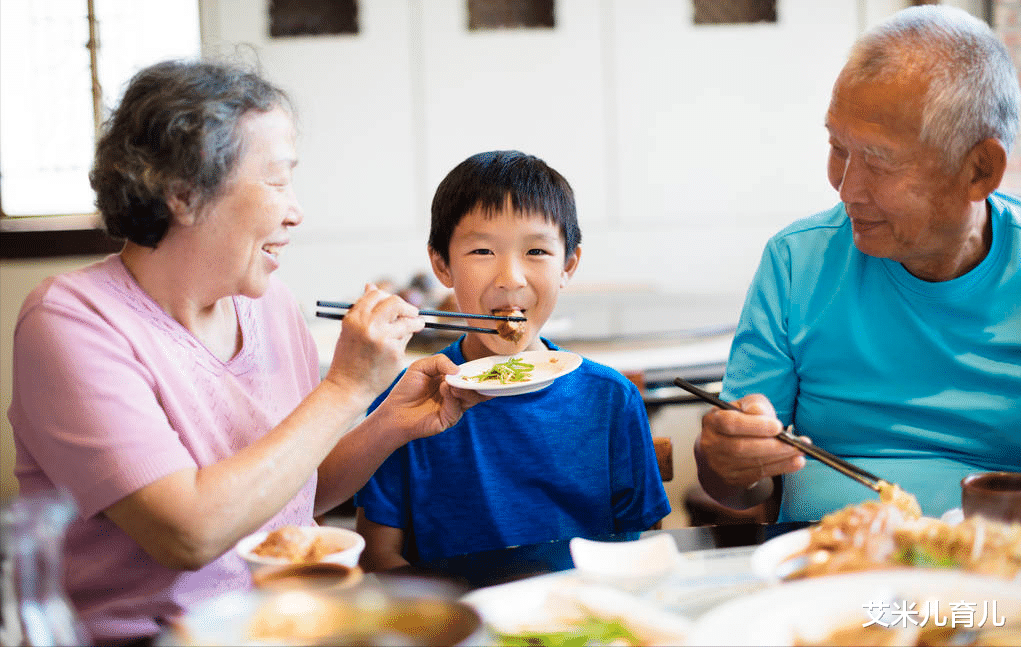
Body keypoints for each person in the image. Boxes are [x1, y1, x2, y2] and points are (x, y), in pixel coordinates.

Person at [7, 60, 486, 645]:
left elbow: (288, 489)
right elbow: (189, 534)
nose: (296, 211)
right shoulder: (71, 322)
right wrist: (347, 389)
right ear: (184, 193)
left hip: (286, 623)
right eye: (277, 181)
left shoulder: (267, 303)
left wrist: (386, 424)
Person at [695, 5, 1021, 522]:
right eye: (837, 147)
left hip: (986, 574)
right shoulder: (796, 262)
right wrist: (730, 461)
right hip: (820, 563)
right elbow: (739, 491)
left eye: (879, 160)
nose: (846, 189)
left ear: (980, 170)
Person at [355, 150, 671, 570]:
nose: (511, 278)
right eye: (483, 251)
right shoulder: (406, 404)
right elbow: (379, 557)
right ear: (441, 265)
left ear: (569, 264)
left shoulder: (611, 400)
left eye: (537, 252)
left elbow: (643, 549)